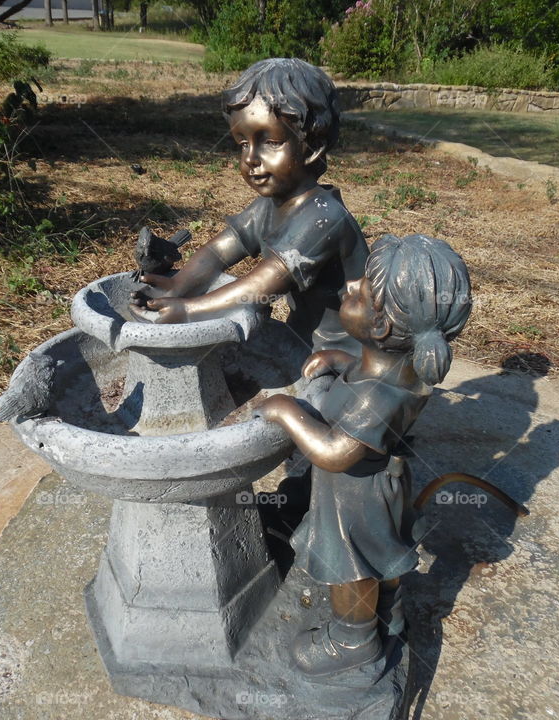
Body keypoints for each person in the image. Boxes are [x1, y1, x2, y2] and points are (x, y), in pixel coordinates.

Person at [257, 233, 473, 678]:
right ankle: (387, 616)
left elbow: (335, 453)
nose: (349, 288)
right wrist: (339, 358)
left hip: (352, 498)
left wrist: (286, 412)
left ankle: (352, 641)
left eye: (360, 293)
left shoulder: (377, 397)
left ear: (381, 327)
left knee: (352, 570)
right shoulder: (398, 366)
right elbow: (369, 366)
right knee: (384, 558)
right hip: (382, 488)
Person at [130, 58, 367, 354]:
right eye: (243, 144)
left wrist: (191, 310)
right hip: (303, 337)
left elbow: (260, 287)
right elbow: (218, 252)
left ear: (312, 147)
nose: (250, 159)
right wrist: (179, 284)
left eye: (270, 142)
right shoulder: (270, 205)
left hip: (346, 356)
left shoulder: (324, 219)